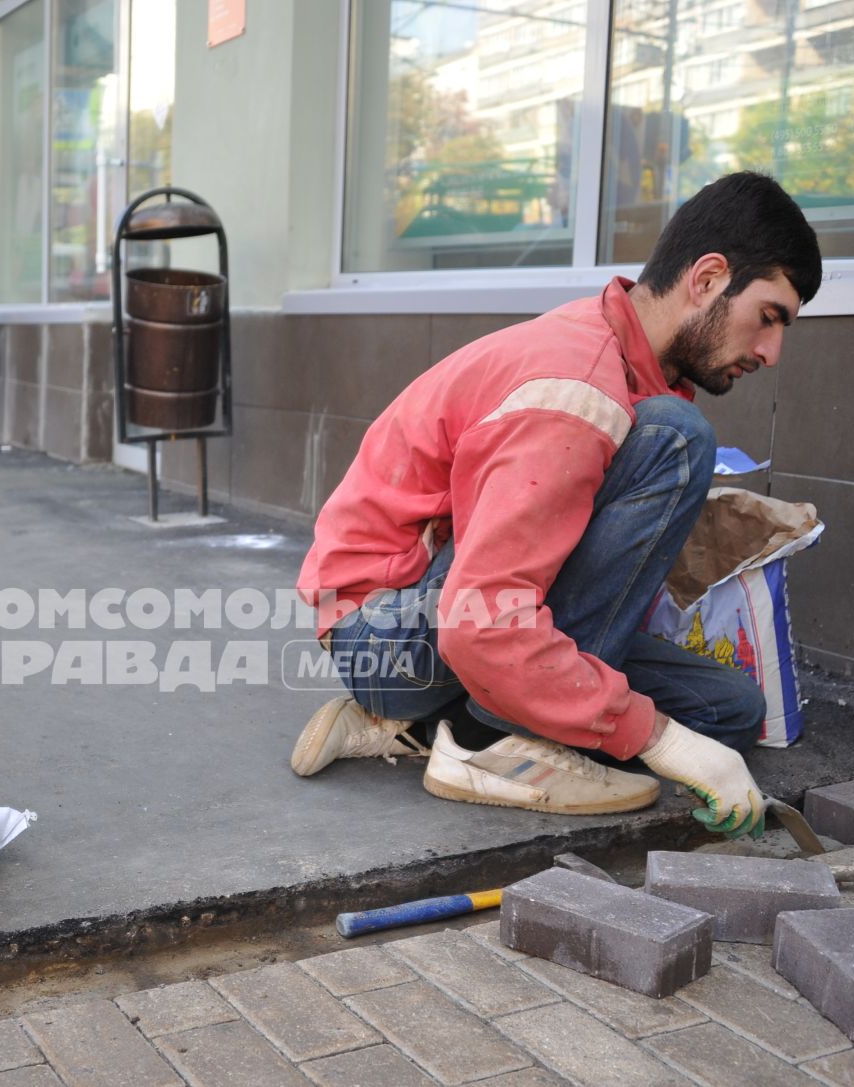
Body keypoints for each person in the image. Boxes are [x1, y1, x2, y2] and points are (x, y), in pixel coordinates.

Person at [291, 172, 822, 839]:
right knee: (678, 442)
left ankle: (429, 725)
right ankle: (488, 743)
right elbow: (479, 623)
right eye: (770, 317)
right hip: (386, 628)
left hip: (459, 612)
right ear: (709, 278)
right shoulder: (578, 387)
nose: (771, 351)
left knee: (729, 711)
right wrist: (661, 741)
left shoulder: (634, 370)